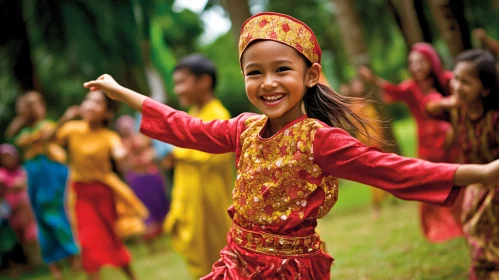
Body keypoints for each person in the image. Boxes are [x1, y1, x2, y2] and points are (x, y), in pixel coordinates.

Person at [84, 12, 499, 279]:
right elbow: (187, 127)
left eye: (282, 69)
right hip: (236, 259)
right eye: (254, 72)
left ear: (312, 74)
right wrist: (125, 94)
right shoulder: (243, 128)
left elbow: (392, 169)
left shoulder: (320, 139)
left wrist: (483, 172)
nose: (267, 83)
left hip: (289, 270)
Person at [359, 43, 464, 243]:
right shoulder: (410, 87)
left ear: (432, 61)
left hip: (453, 140)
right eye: (412, 62)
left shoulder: (449, 80)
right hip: (428, 143)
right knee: (431, 181)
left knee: (458, 178)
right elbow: (392, 90)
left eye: (420, 61)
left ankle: (462, 218)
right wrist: (373, 79)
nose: (416, 66)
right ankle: (436, 226)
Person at [47, 90, 148, 280]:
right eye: (88, 100)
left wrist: (123, 155)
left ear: (107, 114)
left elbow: (118, 151)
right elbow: (49, 140)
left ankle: (131, 275)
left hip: (103, 193)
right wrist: (64, 119)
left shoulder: (108, 136)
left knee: (111, 239)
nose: (90, 106)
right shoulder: (72, 128)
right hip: (80, 193)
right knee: (87, 242)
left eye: (97, 103)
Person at [423, 49, 499, 280]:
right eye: (455, 78)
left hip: (496, 184)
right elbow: (429, 106)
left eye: (466, 82)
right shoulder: (458, 112)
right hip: (476, 184)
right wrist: (452, 101)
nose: (456, 85)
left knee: (483, 232)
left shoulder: (495, 117)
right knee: (474, 232)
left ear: (485, 89)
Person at [161, 54, 234, 278]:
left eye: (182, 82)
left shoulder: (218, 116)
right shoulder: (192, 116)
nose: (178, 90)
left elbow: (210, 155)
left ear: (204, 81)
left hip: (212, 205)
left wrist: (176, 152)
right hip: (191, 203)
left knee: (222, 261)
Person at [13, 92, 79, 279]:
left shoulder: (46, 125)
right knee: (40, 216)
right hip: (35, 174)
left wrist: (65, 119)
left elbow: (49, 135)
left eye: (37, 104)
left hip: (51, 171)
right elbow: (18, 137)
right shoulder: (24, 131)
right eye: (31, 105)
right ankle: (54, 264)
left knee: (55, 213)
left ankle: (72, 256)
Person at [115, 115, 169, 252]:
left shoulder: (144, 137)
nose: (126, 128)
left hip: (151, 175)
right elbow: (122, 165)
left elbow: (154, 151)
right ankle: (151, 245)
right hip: (137, 179)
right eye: (123, 127)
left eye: (128, 125)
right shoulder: (119, 145)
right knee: (144, 211)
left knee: (160, 205)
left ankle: (166, 237)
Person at [346, 78, 390, 218]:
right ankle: (377, 205)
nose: (358, 86)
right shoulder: (355, 106)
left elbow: (375, 122)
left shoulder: (366, 103)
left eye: (359, 83)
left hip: (376, 140)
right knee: (373, 174)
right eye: (355, 84)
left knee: (382, 170)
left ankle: (387, 197)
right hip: (366, 142)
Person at [0, 144, 39, 267]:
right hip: (12, 212)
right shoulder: (2, 174)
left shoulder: (22, 170)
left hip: (29, 211)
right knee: (20, 238)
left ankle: (40, 262)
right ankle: (31, 263)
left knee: (33, 234)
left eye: (9, 156)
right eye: (4, 157)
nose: (8, 160)